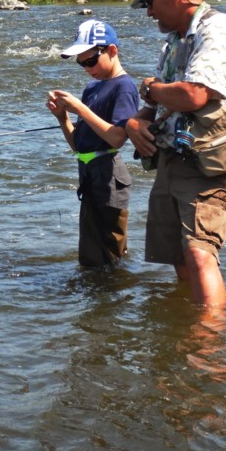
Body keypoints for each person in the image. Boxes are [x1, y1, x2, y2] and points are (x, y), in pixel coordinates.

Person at [124, 0, 226, 308]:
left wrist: (151, 89)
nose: (148, 13)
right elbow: (153, 107)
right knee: (180, 258)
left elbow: (193, 94)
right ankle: (189, 331)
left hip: (212, 160)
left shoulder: (220, 29)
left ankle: (209, 352)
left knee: (199, 254)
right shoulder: (172, 44)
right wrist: (135, 122)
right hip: (173, 158)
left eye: (149, 2)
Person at [47, 20, 140, 268]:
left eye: (91, 61)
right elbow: (78, 145)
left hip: (110, 175)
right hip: (88, 173)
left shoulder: (125, 87)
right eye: (81, 63)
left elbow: (118, 138)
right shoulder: (91, 88)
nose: (87, 69)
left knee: (109, 253)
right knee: (90, 255)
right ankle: (94, 296)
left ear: (111, 51)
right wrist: (62, 116)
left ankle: (116, 297)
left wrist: (79, 107)